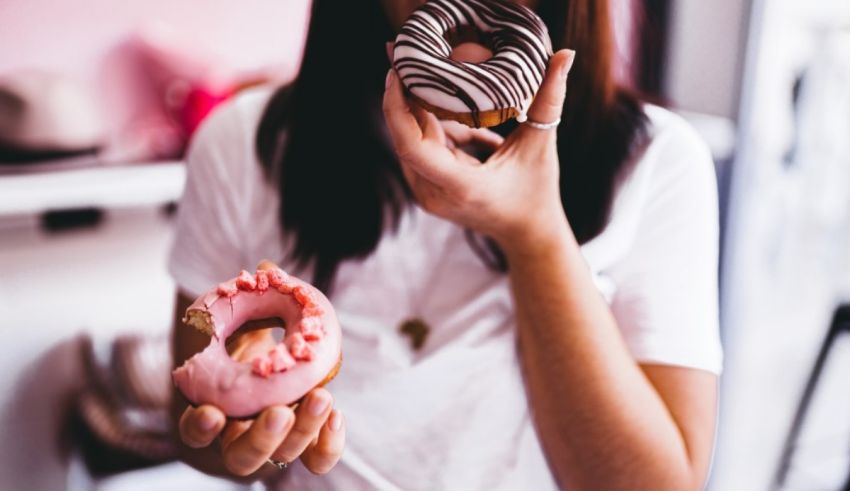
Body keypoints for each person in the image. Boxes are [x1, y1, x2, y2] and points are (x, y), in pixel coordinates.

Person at [169, 0, 723, 489]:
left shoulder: (660, 164)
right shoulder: (243, 143)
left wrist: (536, 232)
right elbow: (194, 424)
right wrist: (253, 436)